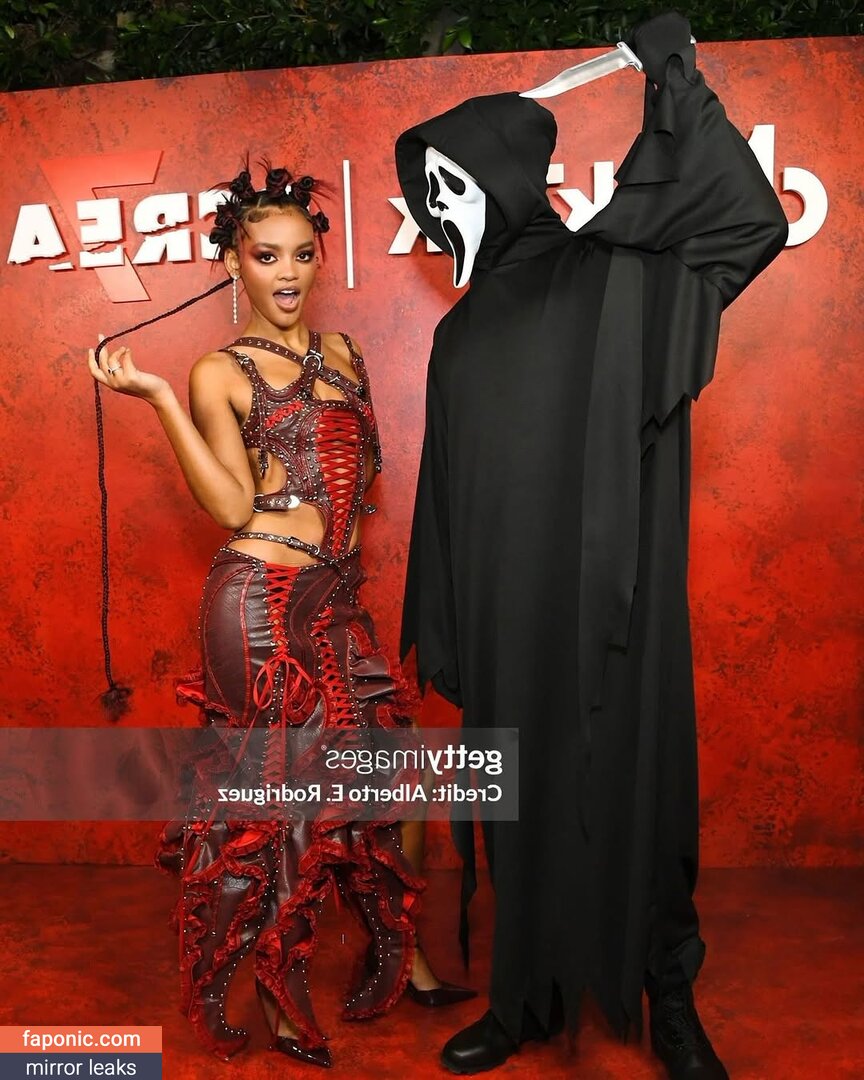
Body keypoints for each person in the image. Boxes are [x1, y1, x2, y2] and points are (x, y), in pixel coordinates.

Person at [395, 14, 788, 1079]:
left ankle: (668, 994)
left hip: (615, 605)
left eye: (454, 185)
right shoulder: (457, 335)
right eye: (426, 194)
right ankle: (524, 995)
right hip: (507, 617)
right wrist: (450, 624)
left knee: (634, 788)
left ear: (508, 179)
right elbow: (447, 488)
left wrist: (673, 78)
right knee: (517, 799)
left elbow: (742, 220)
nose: (438, 211)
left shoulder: (614, 274)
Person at [87, 161, 472, 1067]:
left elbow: (358, 485)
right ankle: (273, 989)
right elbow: (231, 505)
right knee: (275, 805)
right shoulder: (218, 370)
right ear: (234, 264)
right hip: (257, 600)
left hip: (334, 598)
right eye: (266, 256)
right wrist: (161, 401)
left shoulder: (344, 355)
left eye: (302, 254)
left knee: (392, 778)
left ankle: (400, 953)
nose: (288, 273)